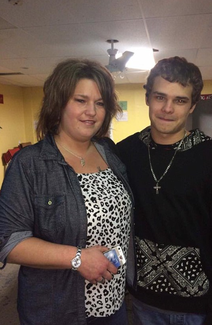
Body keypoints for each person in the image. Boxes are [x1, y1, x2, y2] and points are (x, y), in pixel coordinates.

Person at [0, 58, 134, 325]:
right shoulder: (29, 164)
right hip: (59, 310)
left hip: (114, 303)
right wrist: (77, 258)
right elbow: (9, 242)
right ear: (58, 104)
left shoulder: (109, 152)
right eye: (80, 100)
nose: (92, 112)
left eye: (99, 103)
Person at [116, 56, 212, 325]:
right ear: (147, 98)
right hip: (142, 302)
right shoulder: (125, 153)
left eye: (180, 100)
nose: (167, 108)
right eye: (160, 97)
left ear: (192, 106)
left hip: (198, 308)